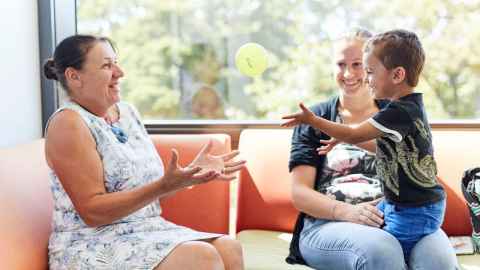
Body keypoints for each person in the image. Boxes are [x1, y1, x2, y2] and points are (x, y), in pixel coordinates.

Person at [43, 34, 246, 270]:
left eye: (116, 62)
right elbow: (92, 212)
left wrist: (189, 175)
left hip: (146, 231)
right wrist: (164, 185)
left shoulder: (127, 113)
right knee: (201, 257)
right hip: (91, 243)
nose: (119, 72)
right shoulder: (69, 123)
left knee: (229, 248)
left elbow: (149, 195)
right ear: (74, 76)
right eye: (107, 65)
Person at [283, 29, 458, 269]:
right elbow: (299, 194)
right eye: (341, 64)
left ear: (392, 72)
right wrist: (346, 212)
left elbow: (417, 166)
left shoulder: (396, 112)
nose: (350, 73)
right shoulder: (318, 117)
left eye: (360, 65)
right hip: (330, 223)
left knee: (438, 260)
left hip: (395, 212)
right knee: (383, 250)